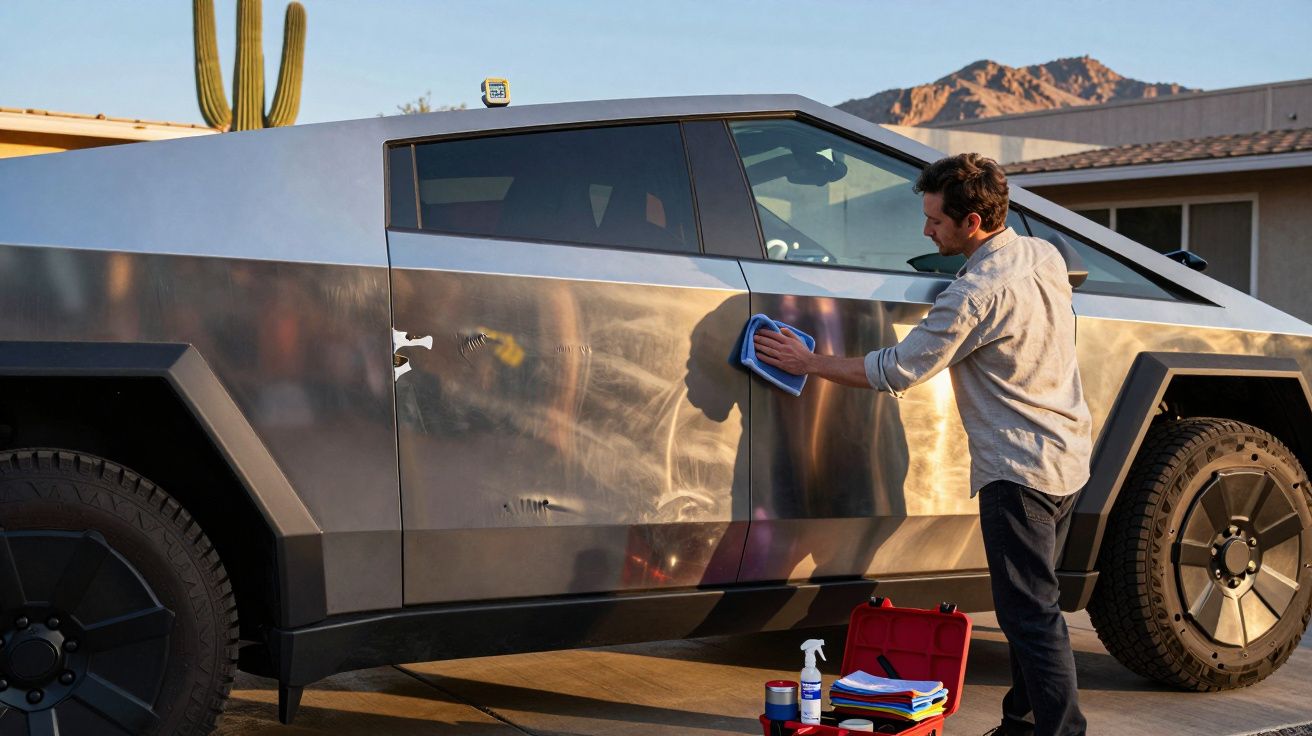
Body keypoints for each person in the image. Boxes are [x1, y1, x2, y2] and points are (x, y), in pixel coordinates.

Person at [752, 153, 1092, 736]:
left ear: (975, 222)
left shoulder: (975, 294)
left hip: (1019, 470)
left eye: (936, 220)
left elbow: (898, 369)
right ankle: (1023, 723)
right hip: (1067, 454)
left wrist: (810, 361)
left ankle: (1062, 732)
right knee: (1029, 608)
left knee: (1031, 615)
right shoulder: (1043, 254)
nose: (926, 230)